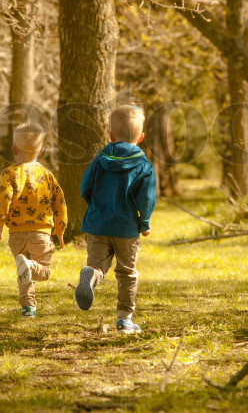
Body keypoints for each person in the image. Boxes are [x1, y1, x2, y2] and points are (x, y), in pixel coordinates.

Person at [74, 105, 157, 333]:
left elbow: (84, 187)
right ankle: (124, 320)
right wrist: (144, 223)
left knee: (98, 266)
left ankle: (91, 276)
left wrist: (95, 206)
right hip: (126, 229)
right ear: (140, 138)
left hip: (97, 225)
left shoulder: (99, 159)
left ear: (110, 135)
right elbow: (146, 200)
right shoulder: (144, 165)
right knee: (127, 272)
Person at [0, 123, 67, 318]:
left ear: (14, 150)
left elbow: (2, 196)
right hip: (41, 232)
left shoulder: (9, 173)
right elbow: (60, 202)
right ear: (41, 152)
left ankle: (28, 307)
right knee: (43, 271)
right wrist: (60, 228)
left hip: (16, 234)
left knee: (22, 273)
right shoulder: (47, 175)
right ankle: (31, 268)